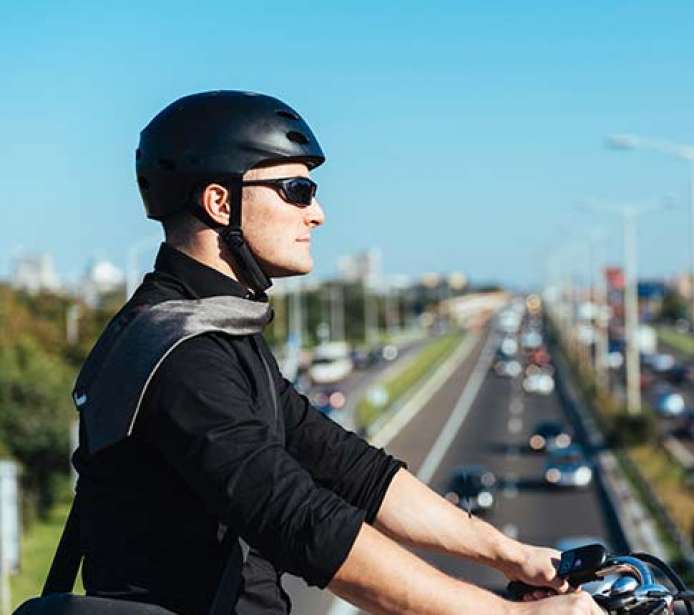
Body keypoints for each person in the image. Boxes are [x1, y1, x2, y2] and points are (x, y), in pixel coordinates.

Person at [70, 91, 603, 615]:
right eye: (296, 190)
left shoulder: (215, 329)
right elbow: (301, 521)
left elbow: (350, 469)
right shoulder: (183, 354)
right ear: (219, 202)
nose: (318, 214)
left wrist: (514, 556)